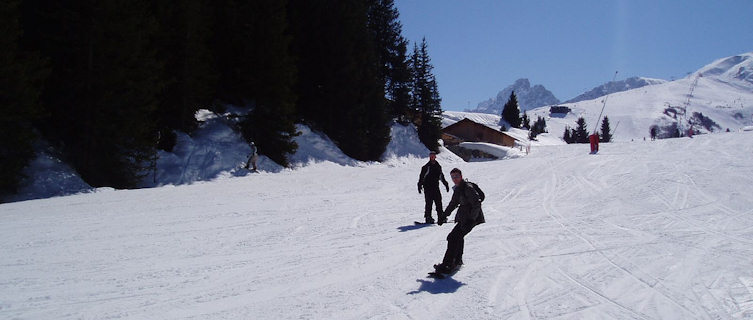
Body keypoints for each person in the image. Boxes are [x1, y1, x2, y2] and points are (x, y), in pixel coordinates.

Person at [434, 168, 485, 274]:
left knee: (453, 237)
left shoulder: (467, 188)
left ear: (461, 176)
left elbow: (477, 203)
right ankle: (457, 261)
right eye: (453, 177)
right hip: (464, 217)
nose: (455, 179)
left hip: (471, 218)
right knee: (457, 237)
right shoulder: (458, 189)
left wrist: (471, 220)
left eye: (456, 176)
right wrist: (443, 215)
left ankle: (447, 264)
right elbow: (453, 203)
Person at [417, 151, 449, 224]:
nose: (432, 157)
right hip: (427, 187)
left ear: (435, 157)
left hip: (435, 187)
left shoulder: (438, 166)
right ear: (429, 157)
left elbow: (441, 176)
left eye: (433, 156)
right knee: (429, 202)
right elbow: (421, 177)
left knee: (438, 202)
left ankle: (441, 217)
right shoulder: (426, 167)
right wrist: (419, 185)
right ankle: (428, 217)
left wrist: (445, 184)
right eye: (431, 156)